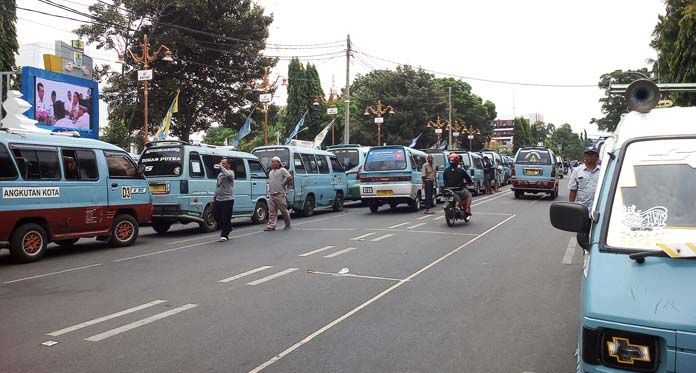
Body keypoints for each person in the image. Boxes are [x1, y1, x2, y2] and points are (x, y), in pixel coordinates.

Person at [569, 146, 601, 249]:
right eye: (588, 154)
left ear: (597, 157)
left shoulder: (603, 171)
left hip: (599, 211)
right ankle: (587, 255)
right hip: (582, 211)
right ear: (584, 157)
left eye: (593, 154)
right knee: (582, 237)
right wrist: (571, 208)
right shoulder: (577, 171)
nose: (591, 157)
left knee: (599, 238)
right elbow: (573, 190)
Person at [265, 156, 293, 231]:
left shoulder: (282, 170)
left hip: (280, 193)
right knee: (271, 211)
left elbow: (289, 177)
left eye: (274, 162)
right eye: (272, 162)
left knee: (283, 210)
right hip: (271, 193)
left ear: (279, 163)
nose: (273, 163)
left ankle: (288, 225)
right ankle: (271, 226)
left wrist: (284, 184)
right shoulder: (271, 172)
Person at [443, 152, 473, 219]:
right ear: (457, 161)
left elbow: (445, 181)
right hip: (458, 190)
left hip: (448, 190)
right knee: (469, 195)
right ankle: (466, 210)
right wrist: (470, 182)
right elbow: (468, 179)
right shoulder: (461, 170)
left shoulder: (445, 171)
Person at [214, 158, 235, 242]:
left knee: (226, 217)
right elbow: (217, 186)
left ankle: (224, 235)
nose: (222, 165)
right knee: (216, 215)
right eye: (221, 163)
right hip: (219, 199)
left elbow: (229, 175)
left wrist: (222, 168)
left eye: (224, 163)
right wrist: (214, 197)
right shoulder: (220, 174)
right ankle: (228, 227)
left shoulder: (231, 172)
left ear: (228, 165)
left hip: (228, 199)